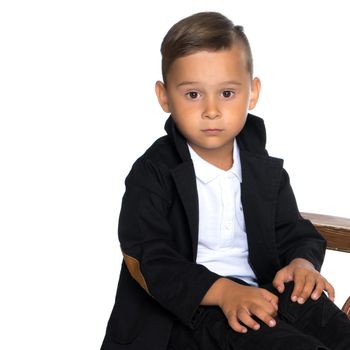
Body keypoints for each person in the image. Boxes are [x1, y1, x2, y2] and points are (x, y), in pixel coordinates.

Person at [100, 11, 350, 350]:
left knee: (335, 330)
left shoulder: (263, 169)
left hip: (267, 288)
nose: (212, 110)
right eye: (193, 95)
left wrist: (301, 263)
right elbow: (148, 257)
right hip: (194, 308)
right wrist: (224, 291)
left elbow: (293, 230)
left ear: (252, 92)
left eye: (227, 94)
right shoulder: (153, 173)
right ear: (164, 97)